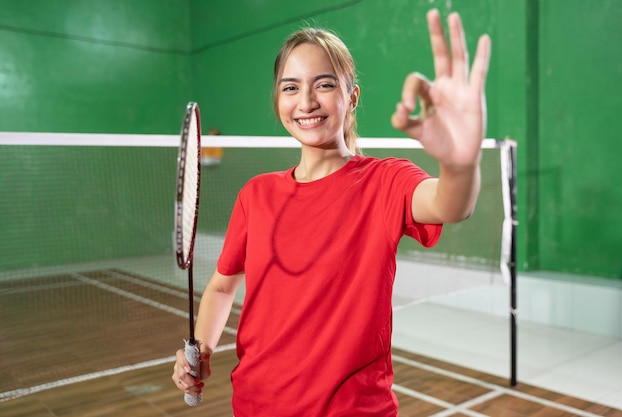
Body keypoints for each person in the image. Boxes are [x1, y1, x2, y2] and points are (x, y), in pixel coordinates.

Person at [172, 8, 491, 417]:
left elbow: (452, 204)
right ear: (277, 98)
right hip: (257, 405)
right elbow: (221, 287)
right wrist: (203, 346)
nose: (306, 101)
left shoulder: (385, 181)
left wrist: (461, 163)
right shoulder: (256, 194)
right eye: (290, 88)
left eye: (323, 85)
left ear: (352, 96)